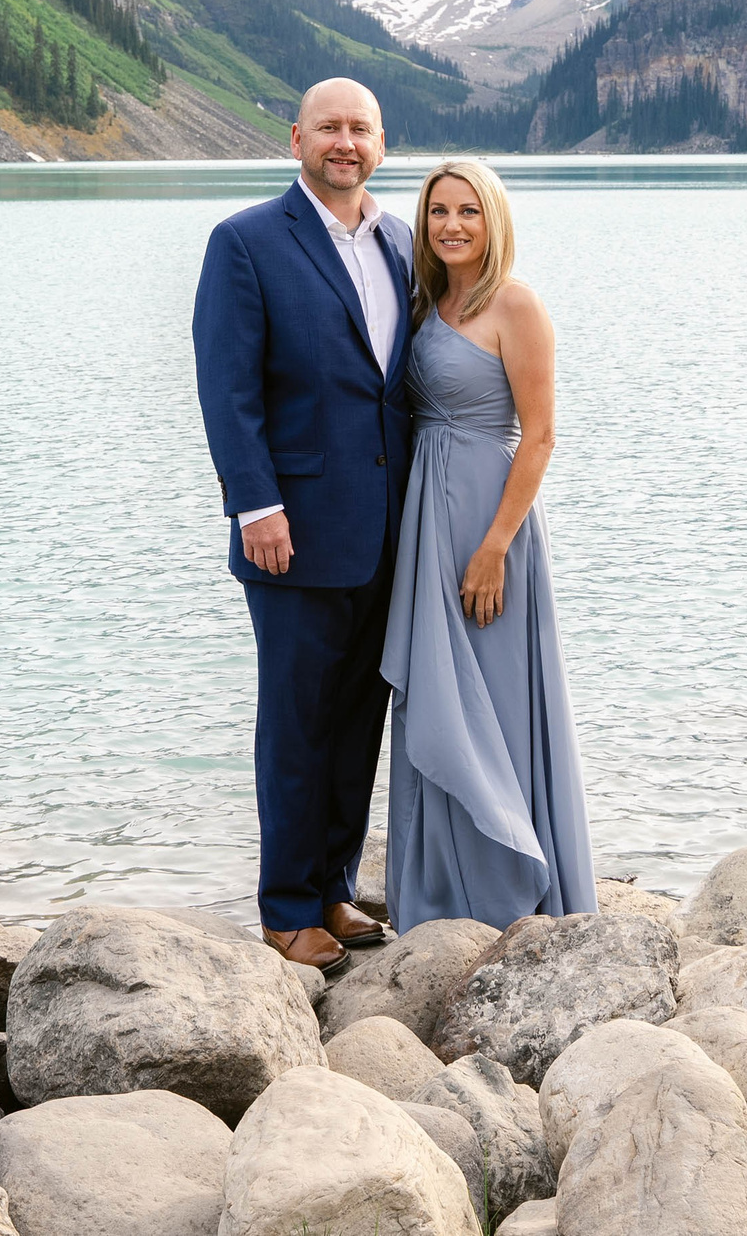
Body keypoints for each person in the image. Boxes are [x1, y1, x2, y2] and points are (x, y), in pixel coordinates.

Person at [191, 77, 411, 974]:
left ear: (382, 144)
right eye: (329, 127)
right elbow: (227, 387)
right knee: (296, 721)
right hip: (292, 530)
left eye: (361, 128)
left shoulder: (401, 241)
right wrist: (257, 504)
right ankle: (285, 907)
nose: (345, 141)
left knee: (359, 719)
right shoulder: (245, 242)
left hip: (390, 530)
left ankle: (334, 889)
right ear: (296, 139)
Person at [381, 158, 595, 933]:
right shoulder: (426, 301)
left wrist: (495, 545)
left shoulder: (516, 304)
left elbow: (539, 437)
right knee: (434, 700)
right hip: (424, 524)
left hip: (487, 522)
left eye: (468, 211)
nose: (451, 225)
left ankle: (517, 879)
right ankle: (440, 893)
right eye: (438, 211)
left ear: (493, 218)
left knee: (497, 702)